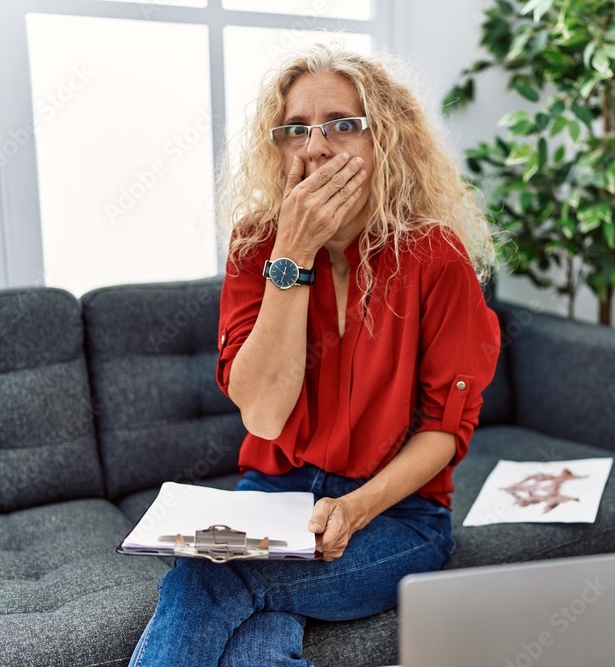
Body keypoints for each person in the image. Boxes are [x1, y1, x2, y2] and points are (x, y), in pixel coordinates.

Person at [127, 43, 501, 667]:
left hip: (397, 514)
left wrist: (354, 509)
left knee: (208, 576)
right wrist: (292, 257)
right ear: (278, 149)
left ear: (388, 141)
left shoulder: (435, 258)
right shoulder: (256, 249)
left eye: (343, 126)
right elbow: (266, 417)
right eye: (296, 129)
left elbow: (443, 431)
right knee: (255, 636)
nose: (315, 147)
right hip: (272, 496)